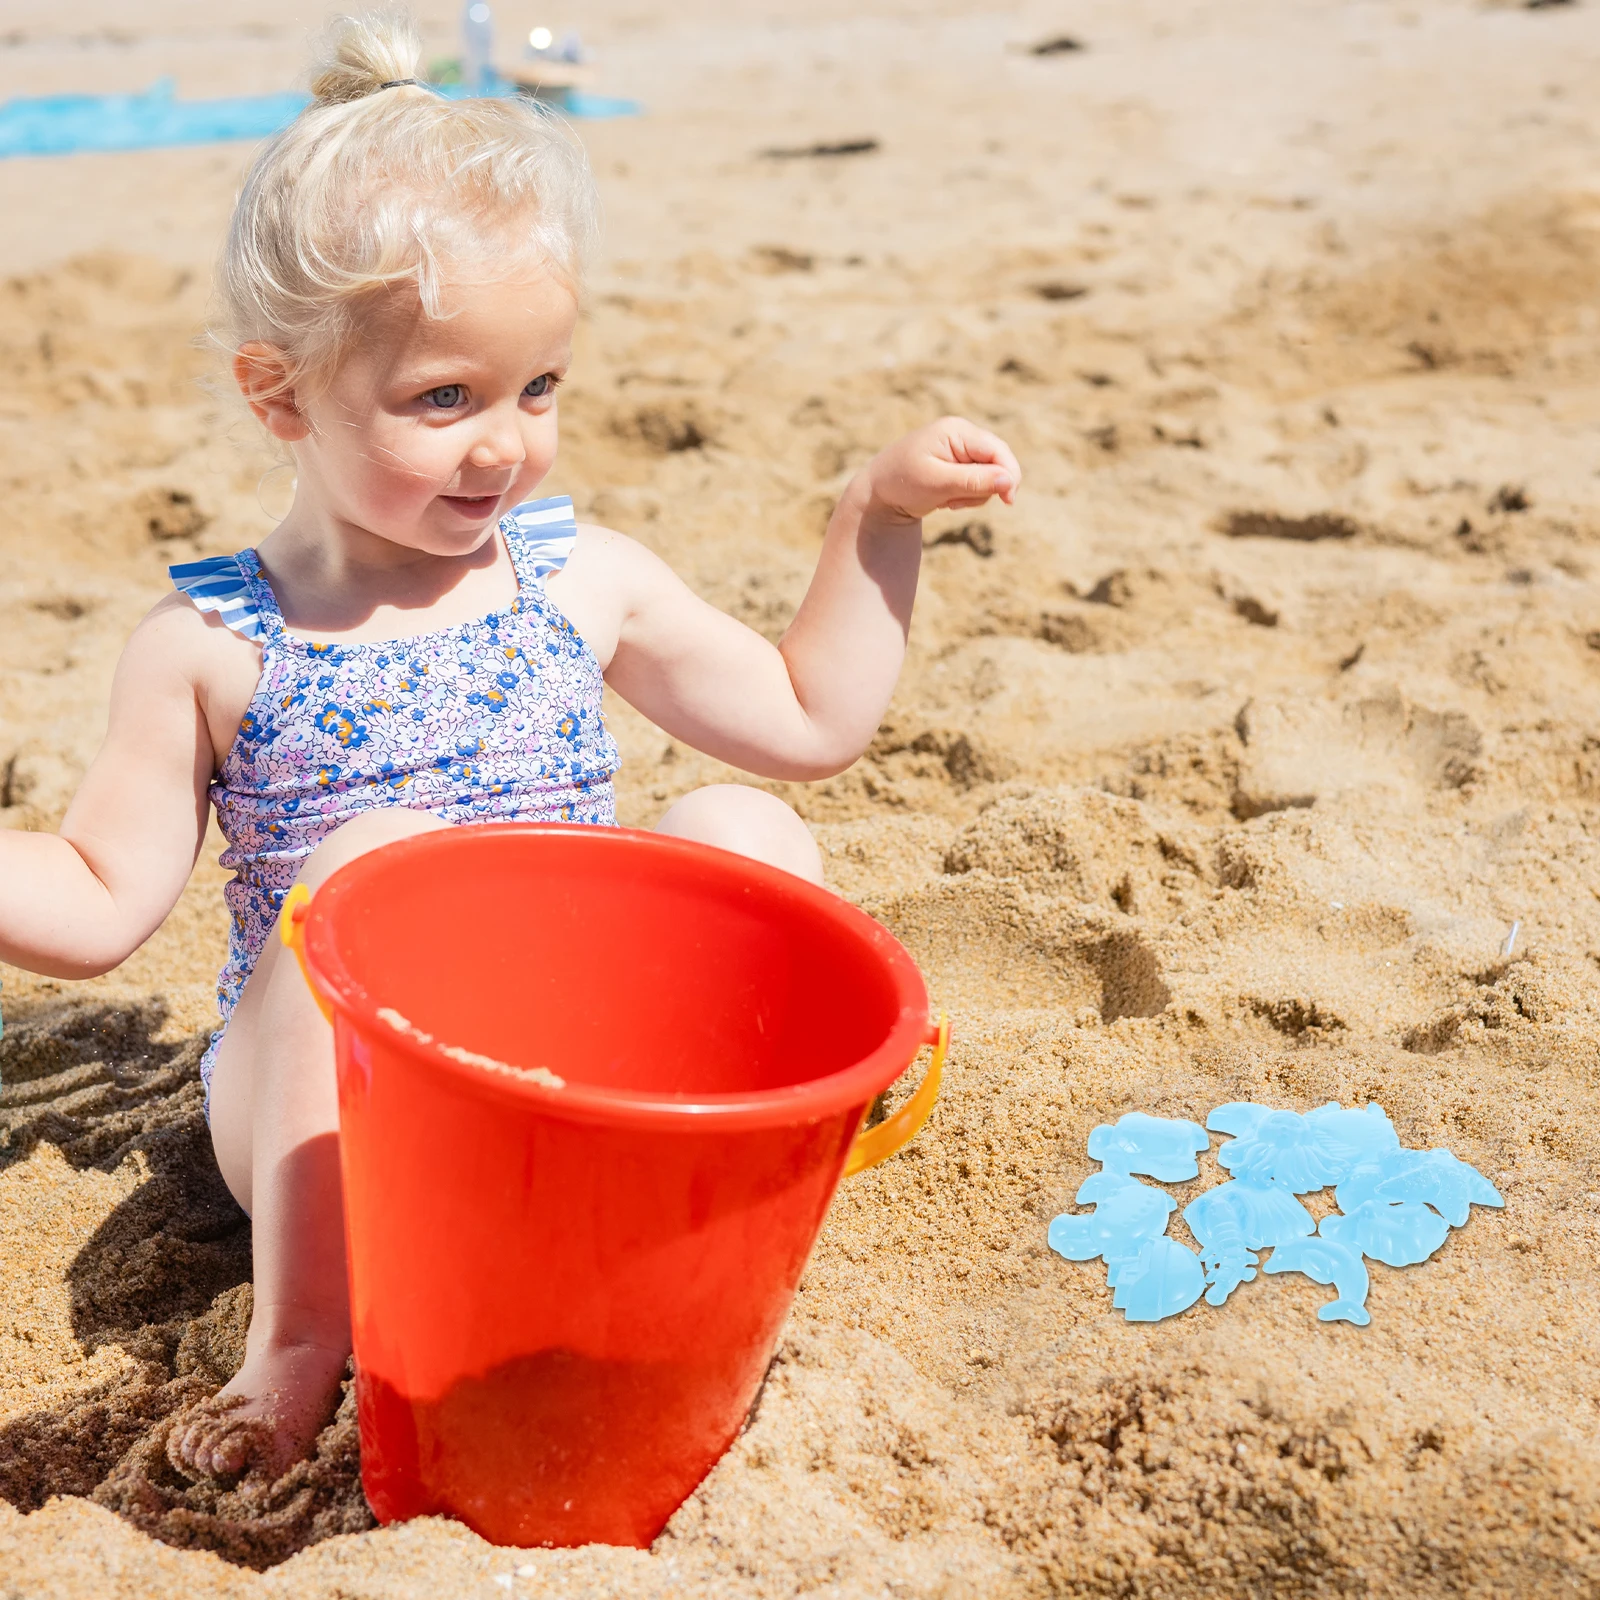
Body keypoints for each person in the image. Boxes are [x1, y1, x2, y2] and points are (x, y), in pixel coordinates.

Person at [0, 10, 1020, 1482]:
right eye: (443, 401)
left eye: (537, 389)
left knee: (745, 836)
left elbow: (809, 721)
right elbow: (98, 900)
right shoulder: (216, 644)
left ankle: (723, 1196)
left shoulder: (578, 574)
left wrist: (879, 513)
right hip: (332, 1118)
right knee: (372, 858)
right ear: (279, 395)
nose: (505, 446)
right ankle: (298, 1340)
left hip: (565, 1068)